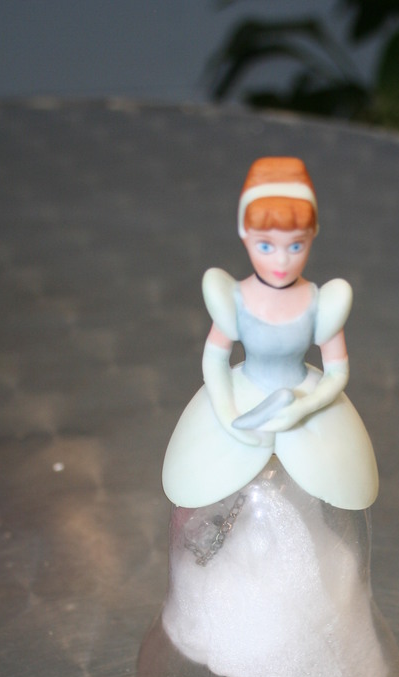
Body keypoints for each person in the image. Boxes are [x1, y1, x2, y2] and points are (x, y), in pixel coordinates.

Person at [162, 156, 378, 511]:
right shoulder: (233, 298)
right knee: (205, 481)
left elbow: (337, 372)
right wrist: (227, 414)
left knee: (336, 487)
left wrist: (304, 407)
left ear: (312, 236)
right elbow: (215, 357)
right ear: (245, 235)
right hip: (243, 398)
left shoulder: (322, 303)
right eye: (266, 246)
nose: (281, 262)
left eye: (295, 246)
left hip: (302, 401)